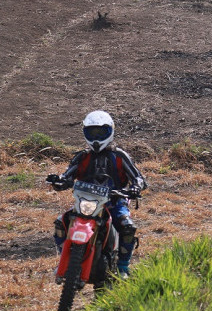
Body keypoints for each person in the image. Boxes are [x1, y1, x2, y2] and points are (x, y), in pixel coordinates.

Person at [48, 110, 147, 278]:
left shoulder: (119, 156)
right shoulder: (82, 156)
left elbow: (138, 178)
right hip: (86, 203)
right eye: (92, 132)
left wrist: (136, 188)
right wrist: (59, 181)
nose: (96, 137)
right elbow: (67, 175)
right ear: (85, 132)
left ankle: (123, 267)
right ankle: (64, 261)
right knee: (60, 223)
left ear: (110, 131)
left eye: (101, 132)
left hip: (115, 202)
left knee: (128, 227)